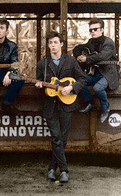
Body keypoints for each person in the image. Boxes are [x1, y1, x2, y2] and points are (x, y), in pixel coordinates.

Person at [35, 31, 86, 183]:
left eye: (56, 42)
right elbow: (38, 83)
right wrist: (38, 85)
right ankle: (64, 170)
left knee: (62, 139)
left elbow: (83, 79)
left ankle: (52, 168)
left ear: (61, 44)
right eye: (50, 43)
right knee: (56, 137)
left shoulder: (70, 61)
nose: (53, 46)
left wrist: (71, 88)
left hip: (67, 104)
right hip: (49, 105)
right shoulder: (42, 64)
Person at [76, 18, 119, 123]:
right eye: (91, 30)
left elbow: (103, 56)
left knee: (98, 88)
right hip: (95, 73)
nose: (93, 32)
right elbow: (79, 47)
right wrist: (78, 55)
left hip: (108, 74)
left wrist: (87, 59)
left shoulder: (108, 42)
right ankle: (90, 102)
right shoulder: (91, 41)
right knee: (79, 80)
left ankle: (105, 108)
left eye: (95, 29)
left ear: (102, 30)